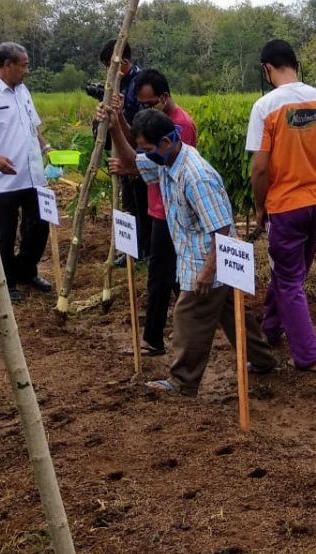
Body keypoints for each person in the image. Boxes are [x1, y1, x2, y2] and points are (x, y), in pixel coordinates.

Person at [103, 105, 278, 395]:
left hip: (209, 260)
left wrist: (209, 270)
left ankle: (182, 381)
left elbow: (221, 227)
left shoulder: (197, 176)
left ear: (166, 142)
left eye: (149, 147)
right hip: (196, 256)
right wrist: (113, 129)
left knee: (188, 315)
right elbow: (132, 161)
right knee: (231, 314)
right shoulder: (166, 161)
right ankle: (262, 360)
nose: (148, 153)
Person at [246, 40, 316, 371]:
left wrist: (260, 207)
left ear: (267, 69)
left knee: (290, 278)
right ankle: (271, 326)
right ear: (296, 64)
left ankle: (308, 357)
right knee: (292, 272)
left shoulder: (265, 107)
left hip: (286, 206)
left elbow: (260, 168)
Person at [110, 68, 197, 355]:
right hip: (158, 207)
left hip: (172, 211)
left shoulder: (180, 125)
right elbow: (137, 144)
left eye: (149, 104)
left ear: (165, 97)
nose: (145, 108)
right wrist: (118, 119)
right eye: (142, 104)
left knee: (160, 273)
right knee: (167, 273)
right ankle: (182, 325)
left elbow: (168, 166)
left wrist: (133, 166)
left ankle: (154, 338)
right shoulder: (154, 123)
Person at [0, 42, 53, 303]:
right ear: (8, 65)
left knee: (39, 227)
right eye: (24, 65)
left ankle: (27, 271)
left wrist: (46, 147)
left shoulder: (22, 90)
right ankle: (8, 281)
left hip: (32, 175)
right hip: (3, 179)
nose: (27, 70)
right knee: (4, 234)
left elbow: (32, 124)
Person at [97, 40, 149, 262]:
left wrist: (119, 116)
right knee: (129, 203)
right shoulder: (118, 85)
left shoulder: (141, 84)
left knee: (143, 204)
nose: (107, 71)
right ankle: (132, 250)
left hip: (140, 156)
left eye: (110, 65)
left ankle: (145, 250)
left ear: (124, 62)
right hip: (123, 153)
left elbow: (140, 131)